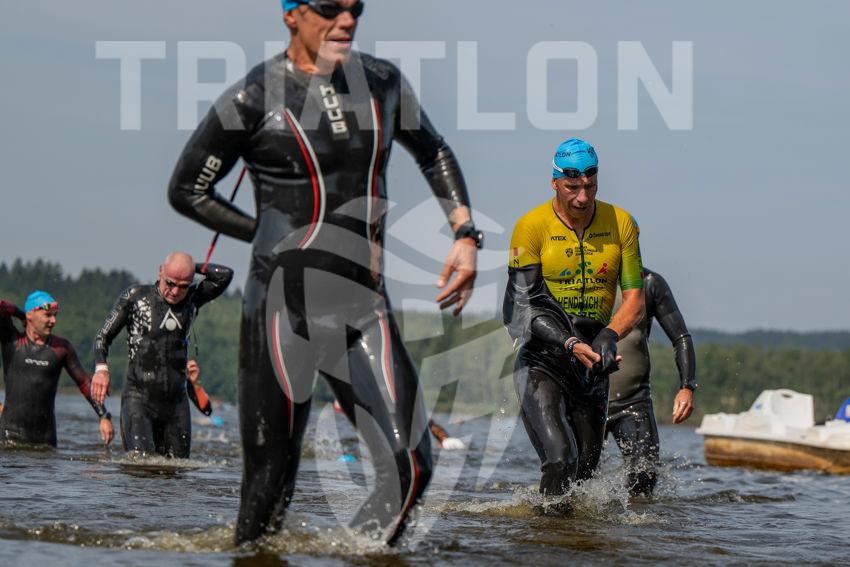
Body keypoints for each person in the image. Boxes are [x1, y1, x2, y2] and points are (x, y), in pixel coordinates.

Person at [168, 0, 480, 545]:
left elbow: (433, 152)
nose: (347, 20)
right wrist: (265, 233)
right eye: (331, 7)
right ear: (292, 14)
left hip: (363, 307)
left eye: (356, 7)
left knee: (411, 467)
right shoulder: (253, 97)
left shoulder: (382, 83)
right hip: (280, 311)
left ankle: (355, 553)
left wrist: (465, 234)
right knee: (267, 493)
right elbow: (187, 189)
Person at [503, 138, 645, 502]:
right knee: (560, 461)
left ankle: (566, 532)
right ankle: (544, 533)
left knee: (584, 479)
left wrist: (610, 334)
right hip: (543, 362)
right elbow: (520, 309)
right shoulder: (531, 227)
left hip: (592, 367)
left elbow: (635, 301)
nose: (582, 198)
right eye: (572, 187)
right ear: (554, 182)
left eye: (590, 186)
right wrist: (569, 342)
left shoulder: (622, 223)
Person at [91, 252, 233, 458]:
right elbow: (102, 337)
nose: (175, 291)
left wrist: (191, 267)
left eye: (183, 286)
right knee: (141, 465)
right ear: (161, 272)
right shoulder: (135, 297)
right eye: (170, 283)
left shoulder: (193, 298)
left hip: (176, 404)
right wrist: (101, 369)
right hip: (138, 399)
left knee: (178, 470)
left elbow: (225, 275)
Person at [606, 267, 697, 496]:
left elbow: (681, 337)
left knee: (644, 476)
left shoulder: (649, 283)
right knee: (576, 476)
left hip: (633, 401)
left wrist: (687, 387)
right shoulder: (582, 278)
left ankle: (639, 519)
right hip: (587, 399)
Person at [0, 292, 113, 447]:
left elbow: (84, 383)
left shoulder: (61, 349)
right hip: (8, 437)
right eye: (48, 315)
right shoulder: (13, 341)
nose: (53, 321)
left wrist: (104, 416)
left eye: (55, 315)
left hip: (45, 442)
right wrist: (21, 315)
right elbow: (2, 307)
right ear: (30, 315)